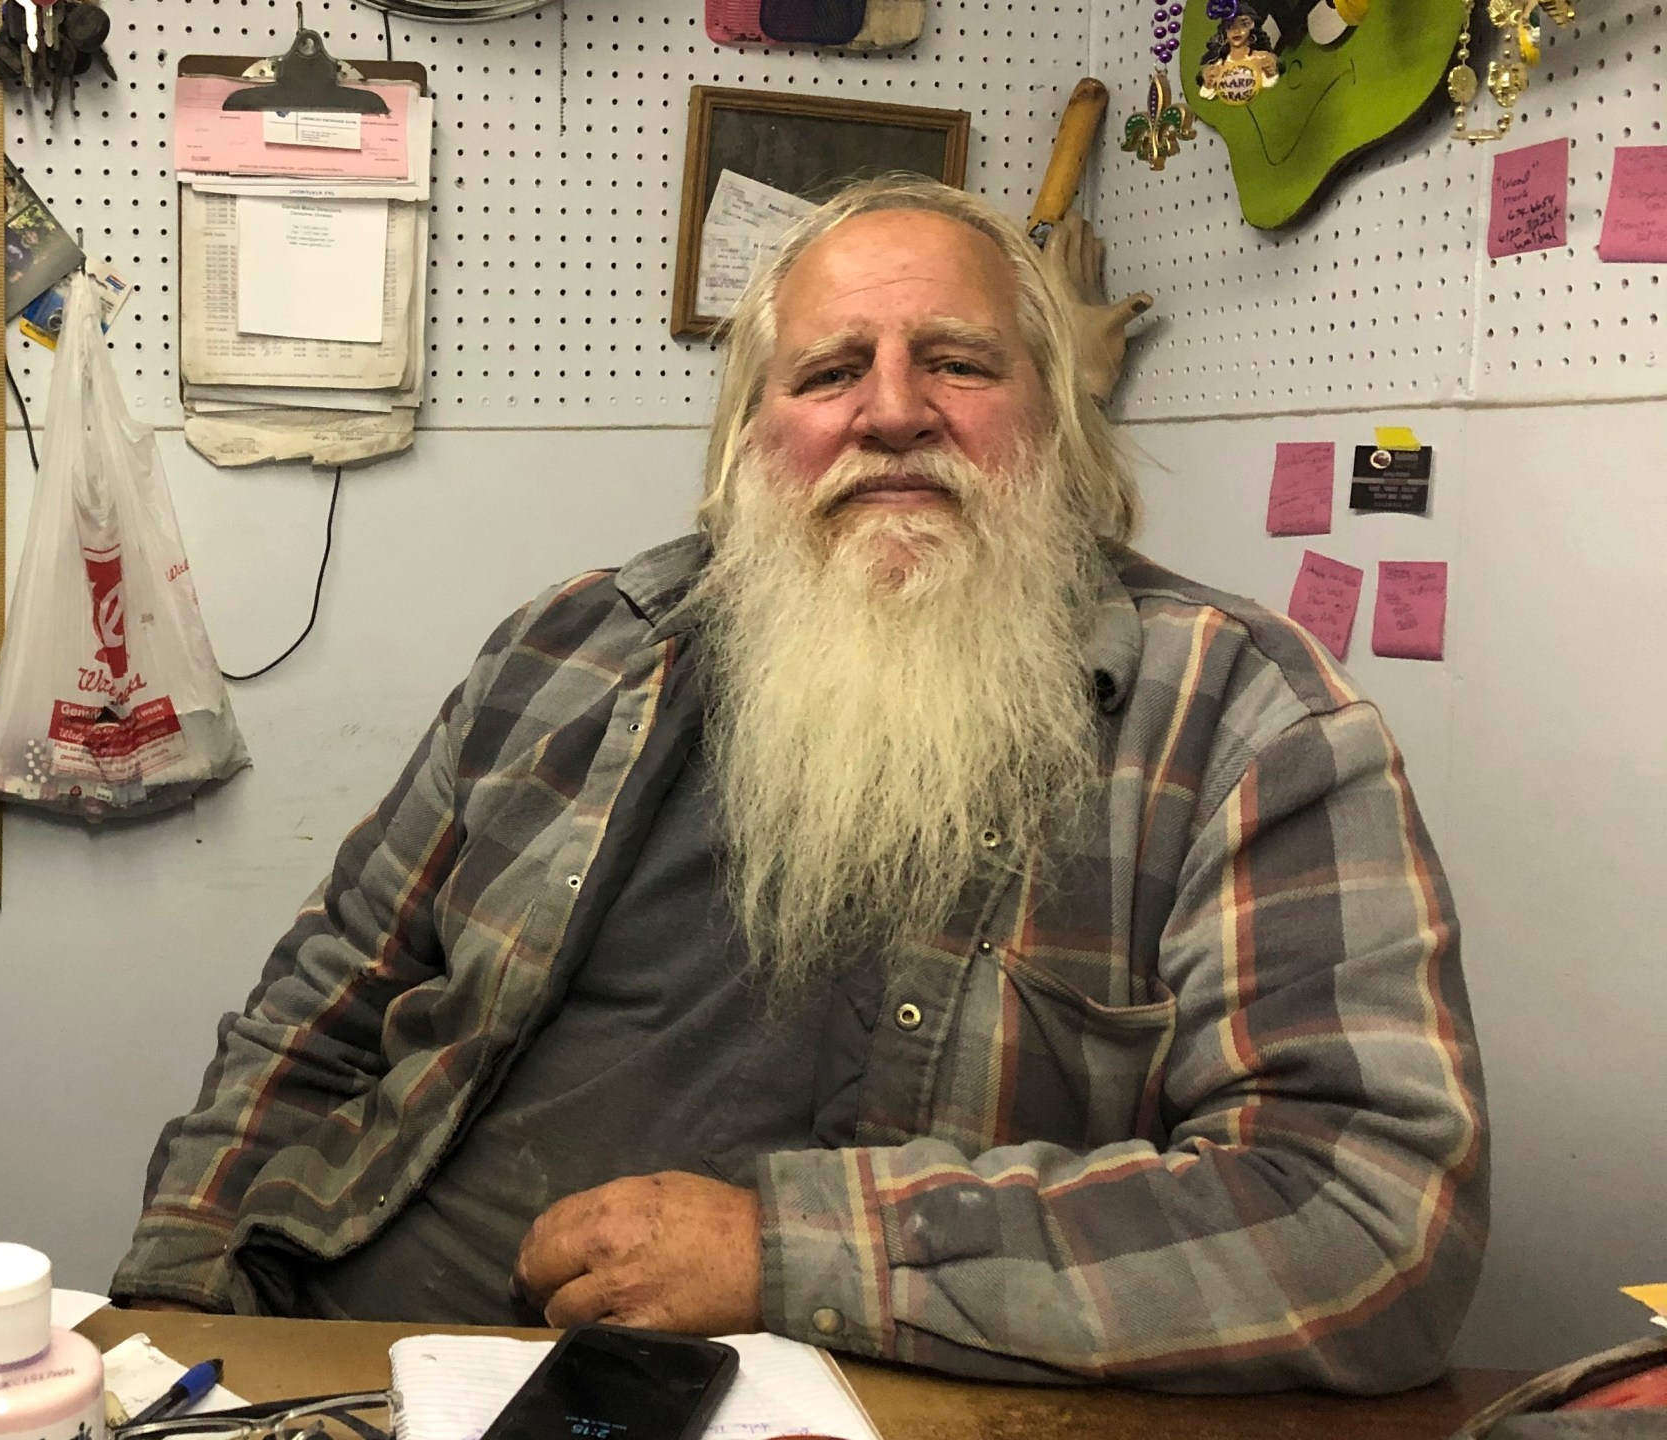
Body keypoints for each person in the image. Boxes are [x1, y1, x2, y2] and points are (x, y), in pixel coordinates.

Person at [109, 176, 1487, 1393]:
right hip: (345, 1349)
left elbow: (1365, 1216)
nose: (893, 411)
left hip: (799, 1393)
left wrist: (793, 1253)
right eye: (829, 372)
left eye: (958, 361)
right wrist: (172, 1290)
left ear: (1061, 424)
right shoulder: (566, 649)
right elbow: (328, 999)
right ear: (748, 438)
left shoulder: (1248, 720)